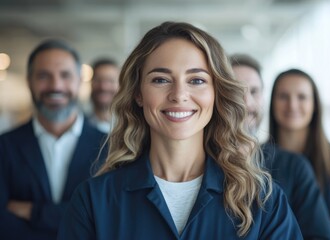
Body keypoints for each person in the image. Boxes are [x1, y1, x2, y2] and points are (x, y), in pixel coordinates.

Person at [58, 22, 302, 239]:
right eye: (161, 79)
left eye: (196, 80)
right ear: (138, 93)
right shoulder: (93, 201)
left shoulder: (262, 202)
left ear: (216, 93)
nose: (179, 95)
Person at [0, 39, 107, 240]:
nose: (55, 85)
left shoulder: (110, 147)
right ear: (28, 81)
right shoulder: (4, 146)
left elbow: (107, 217)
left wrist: (34, 212)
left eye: (65, 75)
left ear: (78, 81)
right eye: (43, 76)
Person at [230, 54, 330, 240]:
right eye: (234, 91)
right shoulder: (197, 165)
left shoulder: (295, 166)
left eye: (254, 91)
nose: (247, 103)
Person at [269, 68, 330, 239]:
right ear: (272, 103)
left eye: (302, 97)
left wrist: (324, 232)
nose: (292, 105)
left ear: (315, 104)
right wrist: (327, 225)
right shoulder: (258, 160)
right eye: (283, 96)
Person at [88, 58, 120, 133]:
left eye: (110, 81)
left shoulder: (131, 127)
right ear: (91, 83)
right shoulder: (79, 124)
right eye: (98, 80)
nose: (103, 87)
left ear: (120, 85)